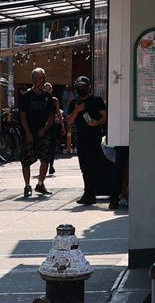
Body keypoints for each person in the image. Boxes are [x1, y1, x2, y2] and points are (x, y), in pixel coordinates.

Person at [16, 67, 60, 198]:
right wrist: (28, 132)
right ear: (33, 80)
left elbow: (51, 116)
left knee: (45, 158)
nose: (43, 80)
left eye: (44, 78)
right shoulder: (26, 96)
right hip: (28, 132)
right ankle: (27, 185)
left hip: (43, 133)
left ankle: (40, 183)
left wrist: (45, 129)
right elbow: (22, 116)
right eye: (40, 78)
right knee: (26, 159)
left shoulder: (47, 97)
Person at [65, 75, 108, 205]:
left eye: (83, 87)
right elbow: (69, 121)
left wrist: (97, 123)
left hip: (95, 138)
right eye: (78, 87)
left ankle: (91, 193)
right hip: (81, 139)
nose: (81, 89)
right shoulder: (74, 103)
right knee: (84, 167)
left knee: (92, 166)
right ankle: (88, 193)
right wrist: (77, 110)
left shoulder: (97, 100)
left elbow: (105, 117)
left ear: (89, 87)